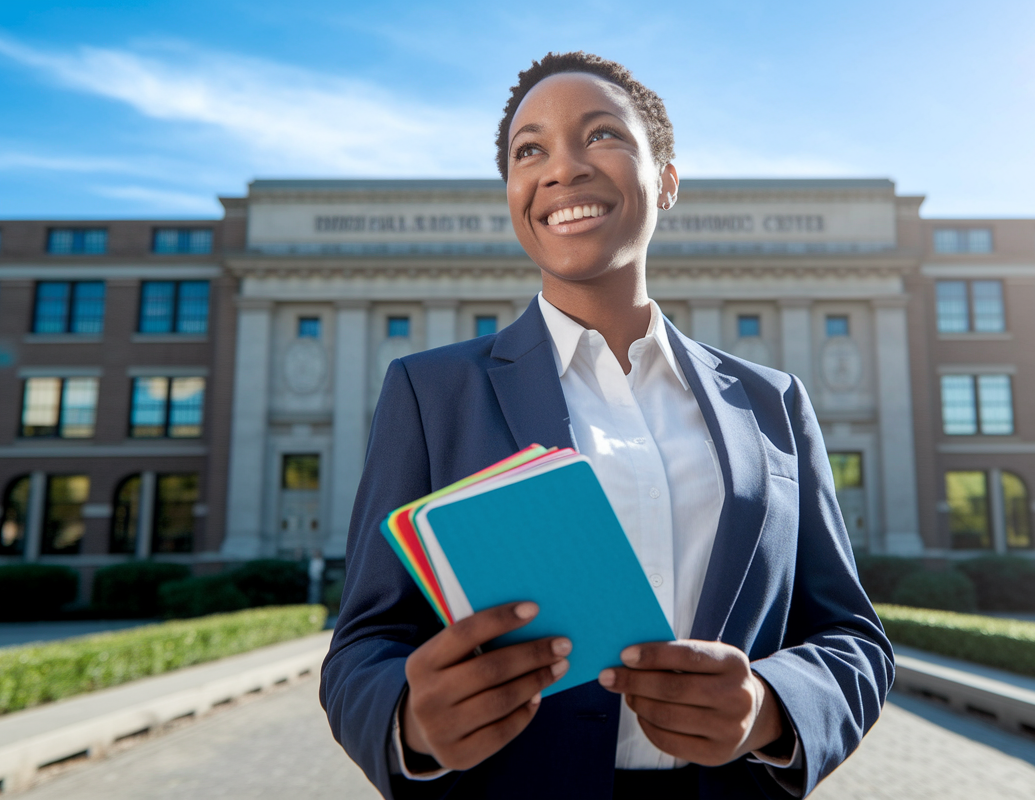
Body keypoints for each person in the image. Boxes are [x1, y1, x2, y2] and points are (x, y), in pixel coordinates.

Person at [321, 51, 893, 800]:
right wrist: (410, 722)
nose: (562, 169)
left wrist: (768, 710)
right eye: (531, 151)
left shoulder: (773, 402)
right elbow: (362, 645)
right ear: (513, 194)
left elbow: (853, 638)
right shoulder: (430, 393)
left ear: (667, 180)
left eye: (601, 136)